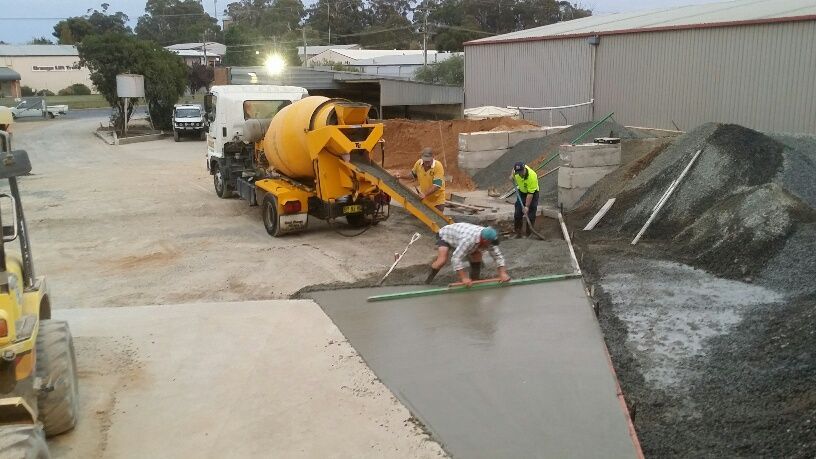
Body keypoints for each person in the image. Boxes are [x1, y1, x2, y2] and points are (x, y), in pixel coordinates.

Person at [426, 222, 511, 286]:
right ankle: (427, 280)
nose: (490, 245)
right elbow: (456, 258)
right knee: (442, 260)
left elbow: (498, 256)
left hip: (461, 236)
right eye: (489, 243)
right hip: (446, 235)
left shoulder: (489, 238)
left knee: (477, 255)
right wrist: (464, 278)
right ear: (485, 241)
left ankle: (475, 280)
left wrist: (502, 273)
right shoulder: (468, 240)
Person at [410, 147, 446, 212]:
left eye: (428, 160)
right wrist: (400, 175)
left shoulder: (438, 166)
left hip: (437, 201)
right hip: (425, 200)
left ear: (433, 157)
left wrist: (424, 194)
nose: (426, 163)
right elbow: (412, 175)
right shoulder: (418, 163)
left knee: (437, 220)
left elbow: (437, 185)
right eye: (425, 160)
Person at [510, 161, 540, 237]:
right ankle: (518, 232)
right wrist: (511, 176)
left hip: (532, 193)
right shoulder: (516, 172)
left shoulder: (532, 176)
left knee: (531, 214)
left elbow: (530, 194)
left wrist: (527, 206)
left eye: (521, 172)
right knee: (517, 213)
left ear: (524, 169)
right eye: (518, 173)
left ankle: (529, 234)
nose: (520, 174)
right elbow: (513, 170)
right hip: (522, 192)